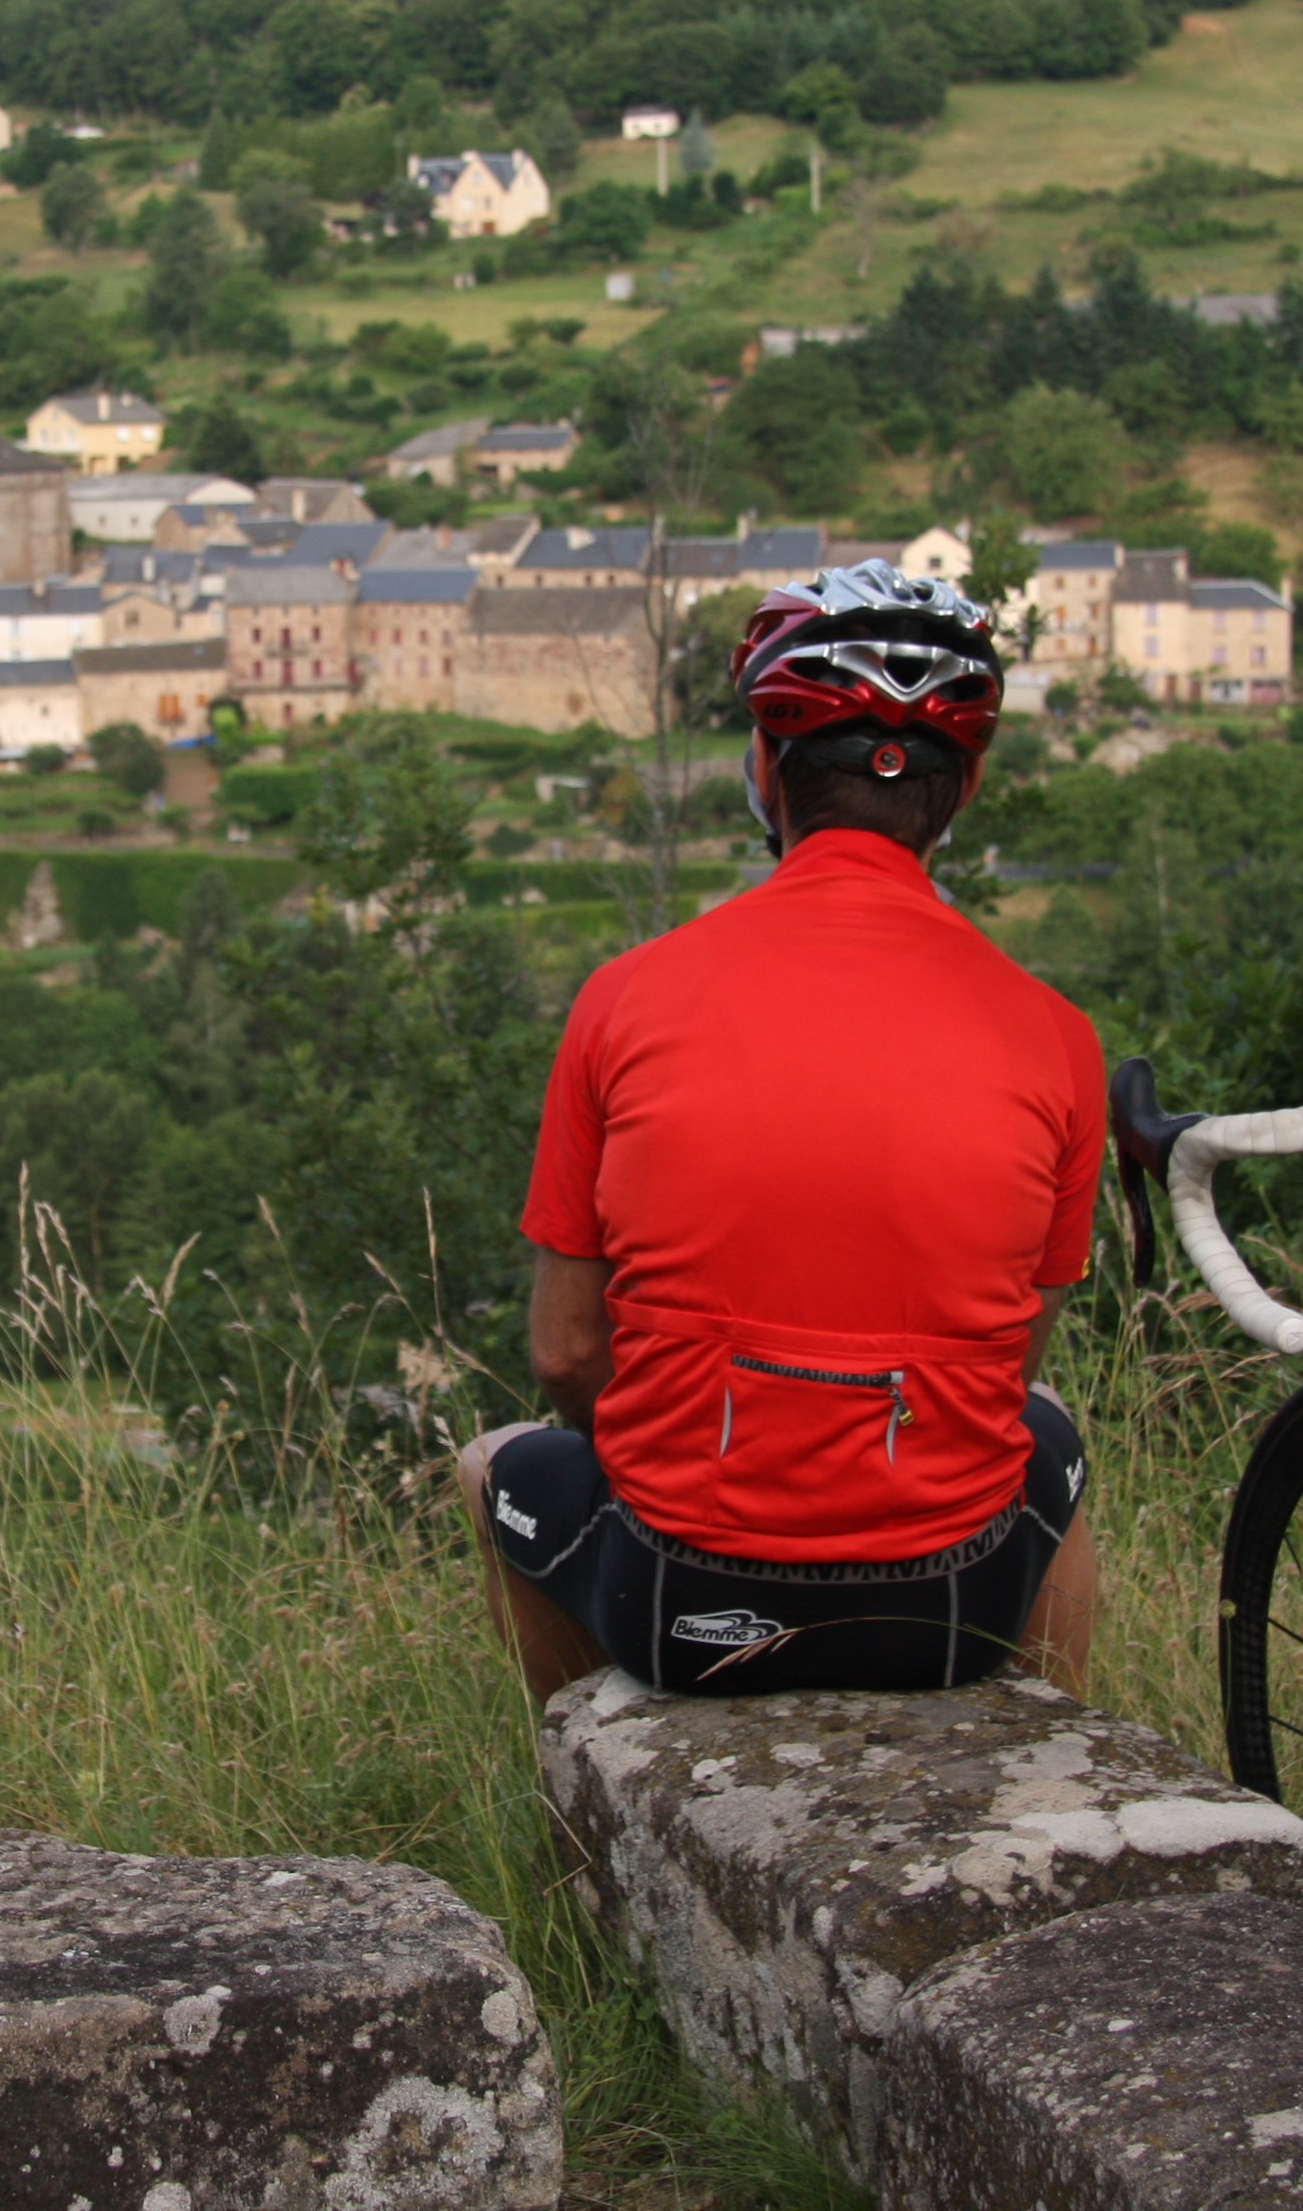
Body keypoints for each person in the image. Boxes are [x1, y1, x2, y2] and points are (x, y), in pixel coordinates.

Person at [461, 560, 1106, 1702]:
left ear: (766, 767)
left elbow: (566, 1352)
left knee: (494, 1469)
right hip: (949, 1608)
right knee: (1050, 1433)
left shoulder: (627, 998)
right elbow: (1010, 1367)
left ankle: (584, 1808)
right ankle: (1056, 1757)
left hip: (685, 1602)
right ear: (970, 786)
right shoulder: (1056, 1035)